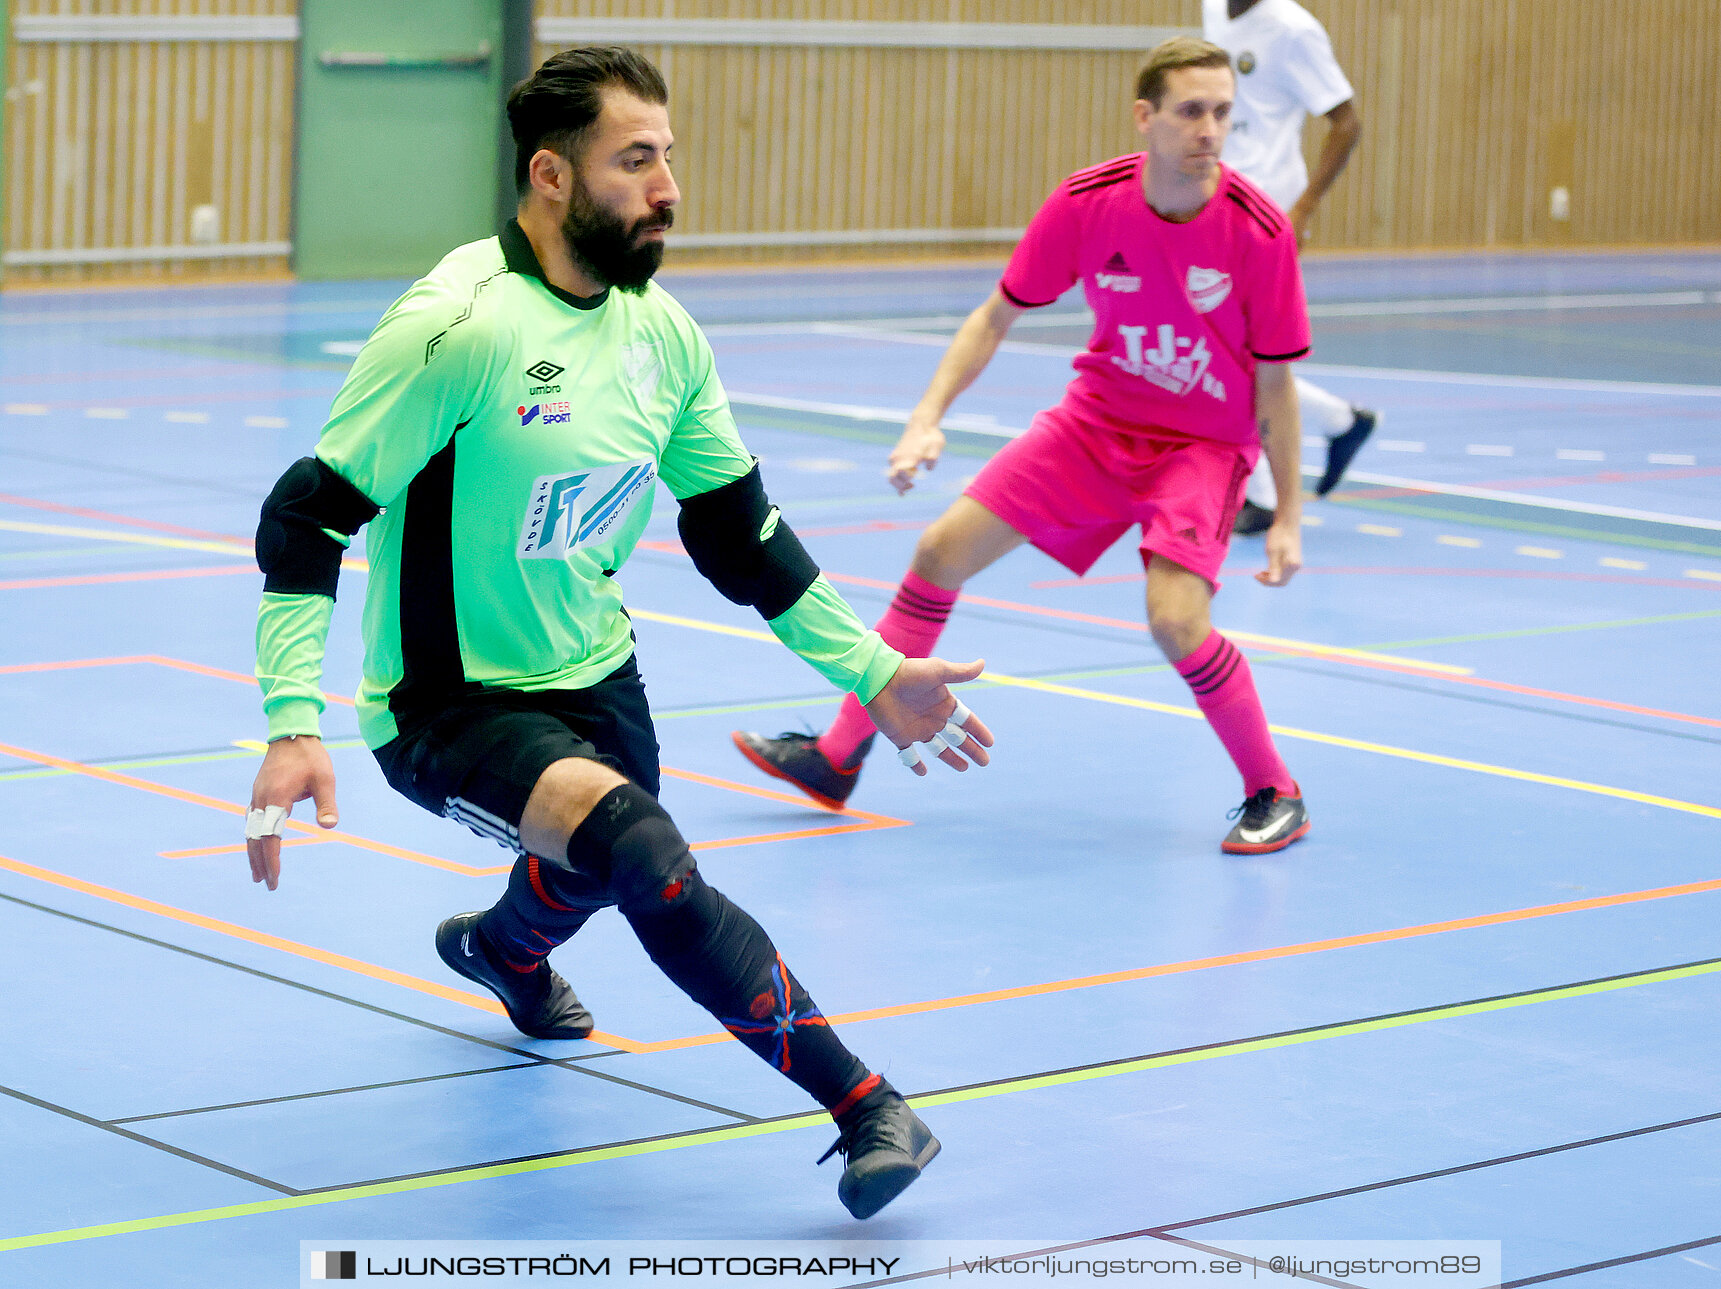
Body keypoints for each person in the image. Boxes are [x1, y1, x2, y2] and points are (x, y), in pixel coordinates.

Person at [242, 46, 993, 1220]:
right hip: (449, 707)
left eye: (669, 158)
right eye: (635, 160)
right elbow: (306, 516)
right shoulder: (460, 327)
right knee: (641, 852)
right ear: (551, 175)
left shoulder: (664, 335)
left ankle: (504, 947)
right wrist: (292, 718)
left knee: (596, 852)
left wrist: (879, 673)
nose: (667, 187)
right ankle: (866, 1104)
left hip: (599, 678)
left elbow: (742, 537)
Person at [734, 37, 1312, 856]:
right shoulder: (1088, 203)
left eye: (1223, 112)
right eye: (1191, 111)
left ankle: (1274, 788)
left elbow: (1278, 382)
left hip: (1201, 447)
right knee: (939, 551)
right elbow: (996, 314)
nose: (1210, 129)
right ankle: (837, 755)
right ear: (1146, 117)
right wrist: (926, 415)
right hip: (1096, 425)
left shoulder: (1258, 232)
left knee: (1177, 620)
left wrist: (1288, 514)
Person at [1200, 0, 1377, 535]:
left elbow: (1346, 123)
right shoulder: (1214, 9)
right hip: (1215, 198)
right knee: (1217, 350)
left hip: (1266, 208)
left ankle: (1264, 495)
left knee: (1243, 352)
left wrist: (1301, 208)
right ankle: (1340, 421)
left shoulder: (1293, 30)